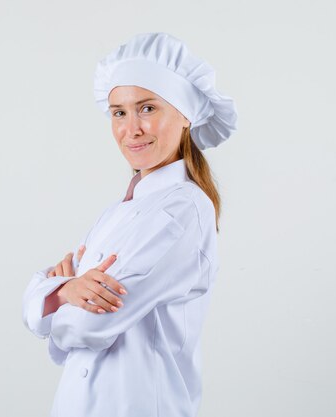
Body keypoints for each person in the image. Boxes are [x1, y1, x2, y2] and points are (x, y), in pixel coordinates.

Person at [21, 32, 238, 417]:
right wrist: (65, 290)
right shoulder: (117, 211)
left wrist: (53, 295)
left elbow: (88, 326)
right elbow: (42, 306)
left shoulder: (184, 210)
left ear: (185, 115)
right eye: (119, 112)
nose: (131, 128)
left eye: (148, 108)